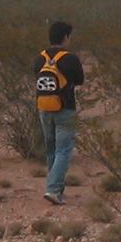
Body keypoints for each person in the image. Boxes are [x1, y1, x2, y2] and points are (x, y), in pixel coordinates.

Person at [36, 21, 84, 205]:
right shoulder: (70, 58)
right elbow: (79, 80)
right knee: (64, 151)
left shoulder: (40, 58)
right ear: (65, 37)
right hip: (65, 108)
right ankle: (53, 189)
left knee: (51, 149)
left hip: (44, 107)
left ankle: (56, 187)